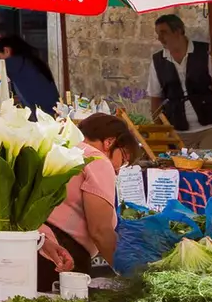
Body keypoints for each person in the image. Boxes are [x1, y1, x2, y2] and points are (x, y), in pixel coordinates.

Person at [43, 112, 148, 275]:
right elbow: (100, 231)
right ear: (110, 142)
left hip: (38, 243)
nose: (119, 170)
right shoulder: (97, 160)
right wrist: (132, 274)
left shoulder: (62, 148)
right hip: (63, 253)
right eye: (123, 159)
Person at [148, 14, 212, 134]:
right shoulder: (158, 61)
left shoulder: (205, 52)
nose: (160, 38)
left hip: (211, 127)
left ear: (178, 31)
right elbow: (155, 99)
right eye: (158, 34)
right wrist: (159, 131)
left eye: (164, 32)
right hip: (178, 131)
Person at [0, 32, 59, 112]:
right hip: (51, 110)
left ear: (6, 51)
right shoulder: (29, 62)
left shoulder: (13, 63)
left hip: (42, 114)